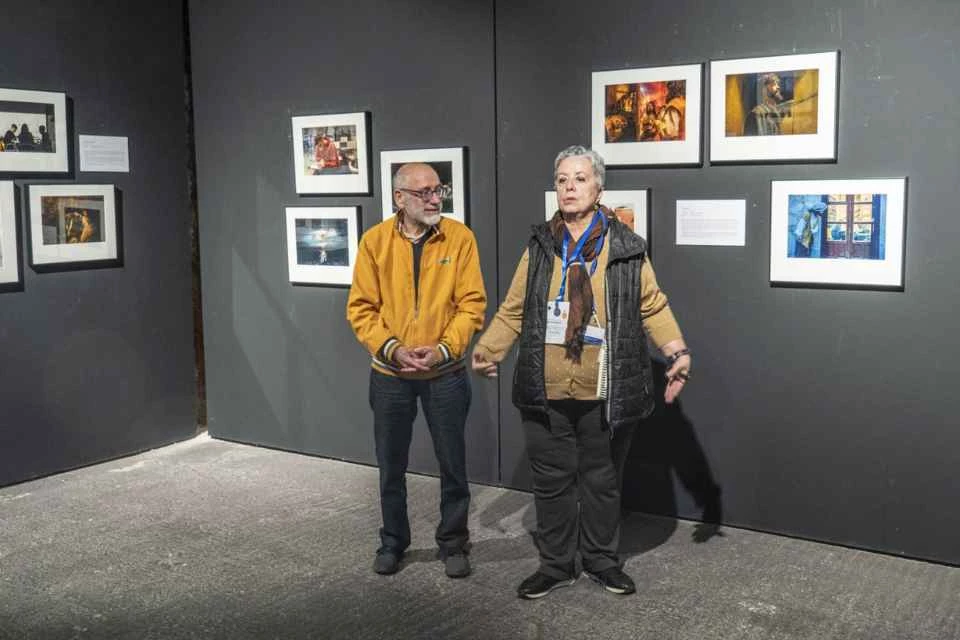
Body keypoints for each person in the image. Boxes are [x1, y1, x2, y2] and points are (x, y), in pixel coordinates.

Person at [472, 145, 691, 600]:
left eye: (580, 179)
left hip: (603, 389)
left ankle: (601, 561)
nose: (570, 188)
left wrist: (676, 351)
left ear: (598, 187)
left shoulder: (626, 248)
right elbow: (515, 308)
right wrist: (489, 350)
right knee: (551, 483)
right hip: (545, 385)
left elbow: (651, 304)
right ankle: (555, 565)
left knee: (602, 481)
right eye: (563, 180)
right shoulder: (541, 246)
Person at [346, 162, 487, 579]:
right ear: (399, 198)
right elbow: (361, 308)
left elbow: (472, 304)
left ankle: (454, 542)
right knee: (390, 465)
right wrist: (393, 349)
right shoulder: (374, 242)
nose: (432, 199)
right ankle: (393, 541)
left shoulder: (460, 239)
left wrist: (444, 349)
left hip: (446, 374)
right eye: (423, 192)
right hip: (390, 376)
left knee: (453, 464)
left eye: (437, 190)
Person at [744, 73, 817, 136]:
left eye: (777, 84)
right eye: (774, 84)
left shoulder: (777, 109)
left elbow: (790, 103)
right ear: (765, 89)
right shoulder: (754, 115)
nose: (778, 87)